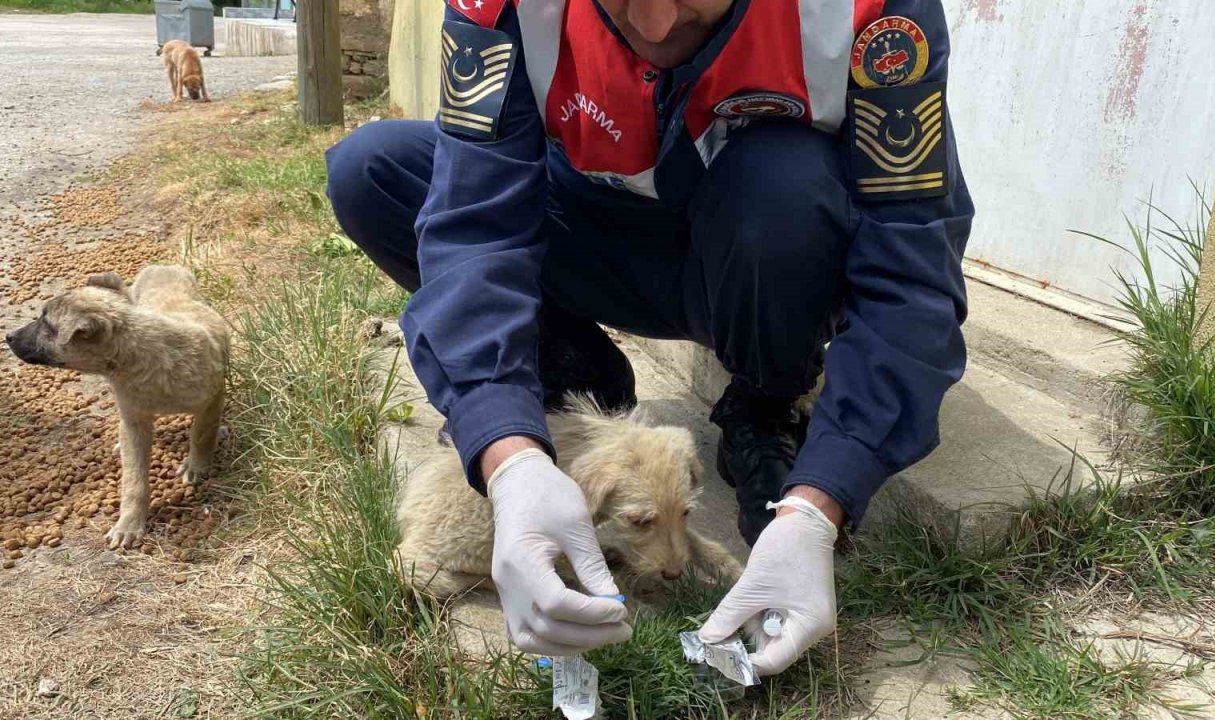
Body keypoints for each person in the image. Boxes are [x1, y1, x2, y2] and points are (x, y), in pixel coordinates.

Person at [325, 0, 972, 676]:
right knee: (376, 171)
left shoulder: (868, 13)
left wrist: (824, 497)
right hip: (593, 222)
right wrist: (504, 446)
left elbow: (911, 276)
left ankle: (766, 399)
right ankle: (571, 381)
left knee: (785, 183)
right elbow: (473, 224)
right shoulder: (500, 7)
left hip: (758, 253)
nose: (657, 26)